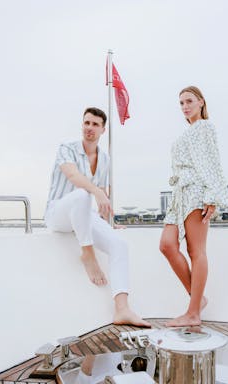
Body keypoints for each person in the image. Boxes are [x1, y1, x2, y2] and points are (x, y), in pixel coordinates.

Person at [45, 107, 150, 327]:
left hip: (84, 215)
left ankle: (122, 309)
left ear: (103, 129)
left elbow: (102, 199)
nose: (89, 128)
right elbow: (74, 176)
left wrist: (109, 223)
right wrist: (98, 192)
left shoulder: (103, 159)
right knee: (83, 193)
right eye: (86, 123)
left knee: (120, 245)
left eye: (94, 124)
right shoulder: (67, 149)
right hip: (58, 214)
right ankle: (88, 254)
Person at [159, 86, 228, 327]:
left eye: (189, 101)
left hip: (197, 192)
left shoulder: (204, 127)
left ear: (201, 102)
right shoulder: (190, 131)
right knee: (167, 245)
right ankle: (198, 300)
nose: (185, 106)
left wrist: (212, 196)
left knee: (196, 251)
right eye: (181, 103)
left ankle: (193, 312)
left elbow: (211, 162)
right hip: (180, 195)